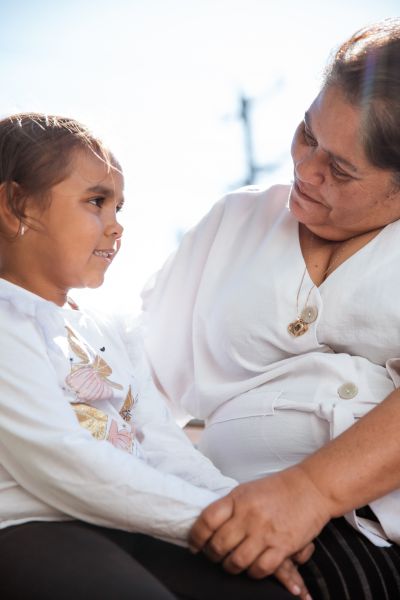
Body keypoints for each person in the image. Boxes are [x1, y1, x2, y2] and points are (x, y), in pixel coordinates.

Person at [0, 112, 316, 600]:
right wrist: (209, 522)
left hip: (130, 520)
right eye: (96, 202)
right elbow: (60, 459)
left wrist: (245, 514)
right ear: (14, 204)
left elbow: (163, 442)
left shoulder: (111, 325)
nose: (116, 227)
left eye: (119, 207)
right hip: (31, 525)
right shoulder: (6, 317)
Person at [141, 18, 400, 599]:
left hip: (368, 533)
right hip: (210, 509)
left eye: (340, 170)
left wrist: (309, 493)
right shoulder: (235, 221)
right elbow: (135, 381)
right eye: (308, 135)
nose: (305, 171)